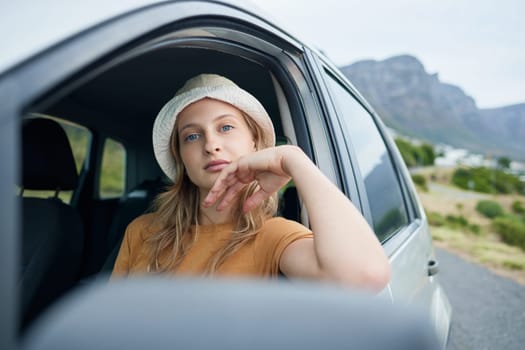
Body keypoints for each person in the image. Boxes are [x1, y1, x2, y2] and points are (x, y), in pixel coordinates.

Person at [111, 74, 390, 291]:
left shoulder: (275, 236)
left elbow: (365, 276)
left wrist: (294, 160)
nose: (211, 145)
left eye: (226, 127)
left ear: (254, 142)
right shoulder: (142, 231)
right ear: (181, 157)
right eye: (192, 136)